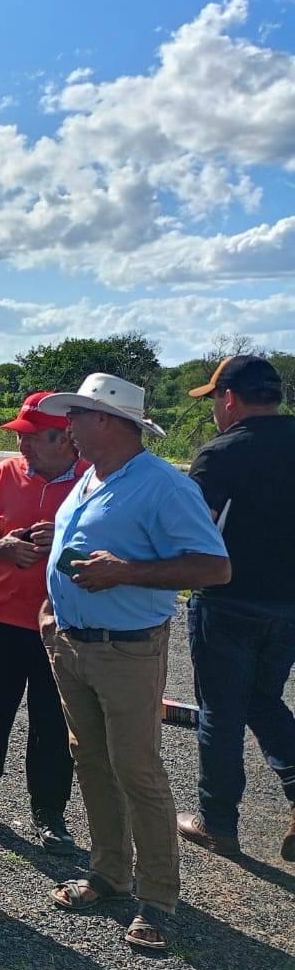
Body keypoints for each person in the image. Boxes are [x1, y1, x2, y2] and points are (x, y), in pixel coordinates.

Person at [37, 373, 230, 951]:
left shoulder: (163, 486)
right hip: (73, 641)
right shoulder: (92, 478)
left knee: (137, 770)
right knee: (91, 760)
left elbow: (213, 568)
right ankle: (110, 872)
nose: (66, 425)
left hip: (126, 647)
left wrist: (124, 572)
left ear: (109, 422)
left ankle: (158, 898)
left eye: (77, 415)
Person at [0, 393, 85, 851]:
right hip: (0, 615)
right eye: (20, 438)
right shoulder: (5, 473)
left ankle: (50, 814)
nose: (21, 447)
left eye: (30, 438)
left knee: (53, 721)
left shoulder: (95, 481)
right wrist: (1, 547)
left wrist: (63, 542)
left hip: (64, 623)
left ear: (65, 437)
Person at [176, 356, 295, 864]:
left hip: (229, 600)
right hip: (290, 605)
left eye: (214, 402)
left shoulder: (222, 452)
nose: (214, 413)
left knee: (220, 713)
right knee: (263, 699)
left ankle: (217, 822)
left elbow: (192, 529)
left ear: (230, 397)